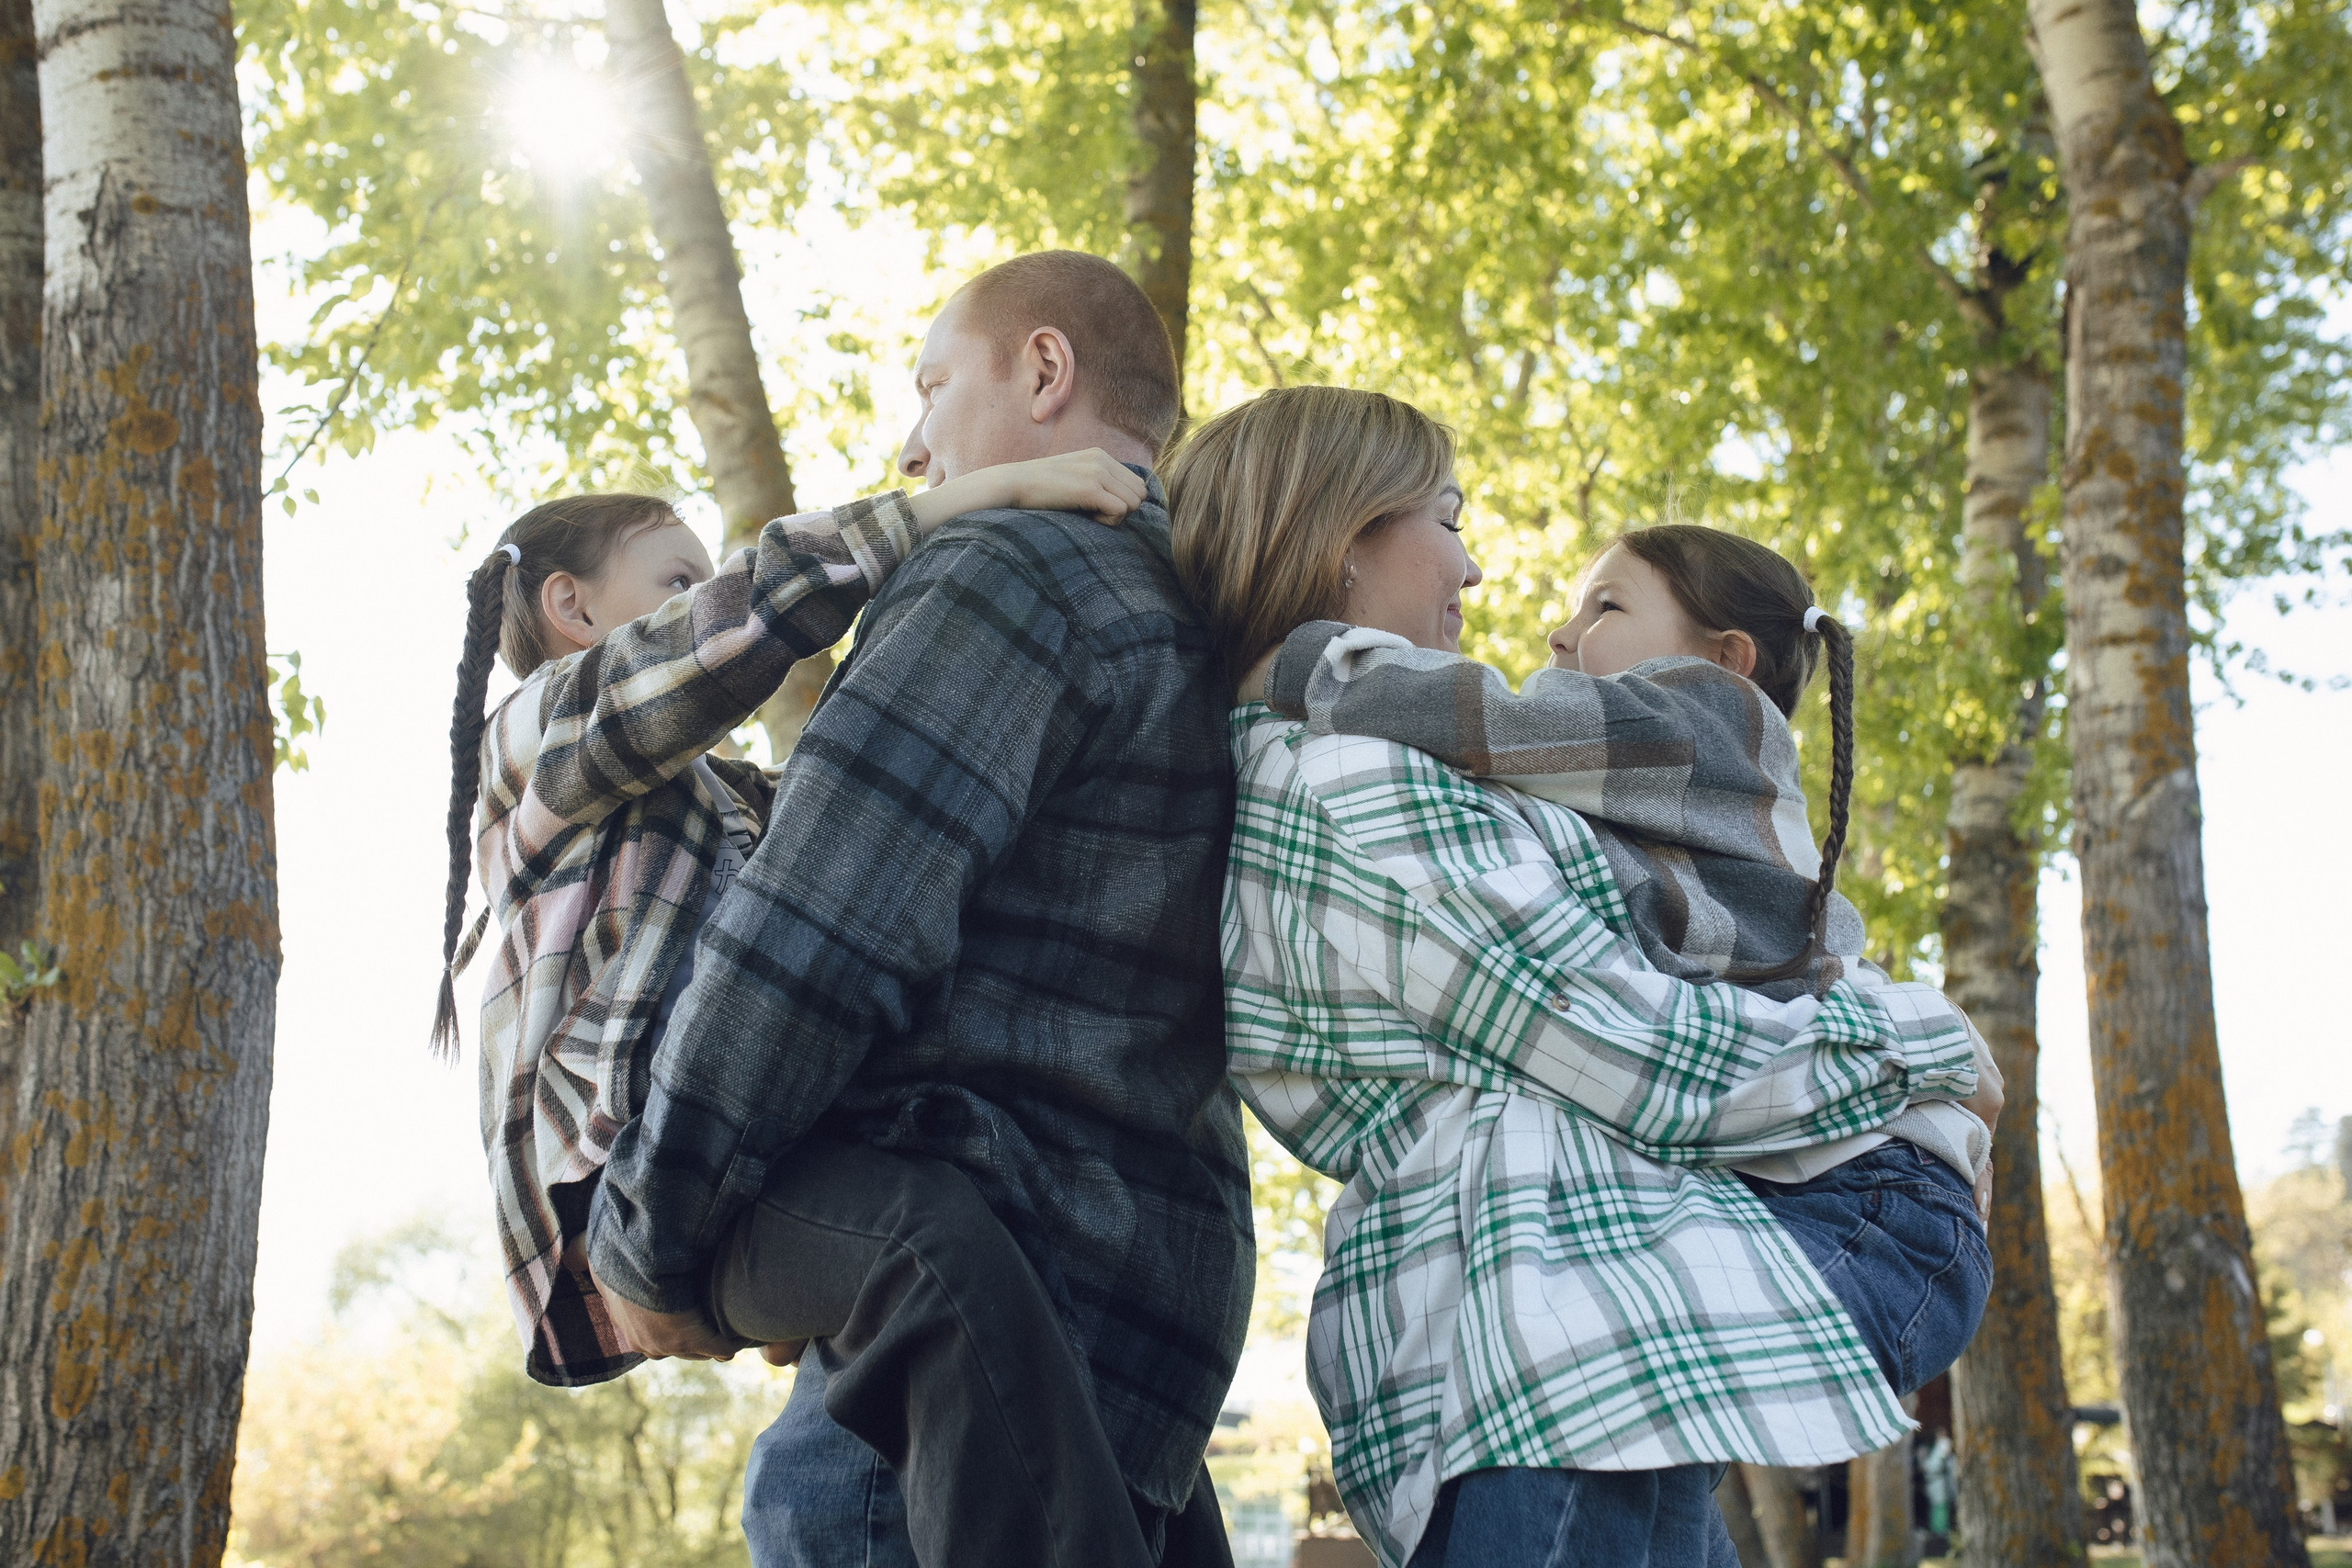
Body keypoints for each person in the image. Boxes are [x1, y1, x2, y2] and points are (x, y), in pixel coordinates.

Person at [1166, 385, 1995, 1568]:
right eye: (1450, 516)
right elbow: (1646, 1059)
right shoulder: (1348, 786)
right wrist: (1930, 1048)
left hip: (1575, 1334)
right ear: (1347, 538)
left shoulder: (1435, 764)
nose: (1479, 571)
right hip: (1556, 1355)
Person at [584, 251, 1255, 1567]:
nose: (910, 442)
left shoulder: (1010, 570)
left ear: (1045, 369)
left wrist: (647, 1240)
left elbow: (815, 938)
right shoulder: (1222, 621)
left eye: (934, 384)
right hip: (1142, 1361)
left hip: (927, 1406)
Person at [436, 452, 1170, 1568]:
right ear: (570, 606)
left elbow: (865, 855)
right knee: (928, 1248)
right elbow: (698, 653)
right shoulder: (535, 745)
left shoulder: (729, 802)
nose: (707, 591)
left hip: (747, 1158)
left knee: (1006, 1287)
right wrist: (957, 502)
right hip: (628, 1180)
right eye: (676, 578)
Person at [1253, 523, 1998, 1391]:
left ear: (1727, 657)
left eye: (1605, 607)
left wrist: (1297, 663)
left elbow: (1491, 718)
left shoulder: (1695, 716)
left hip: (1861, 1182)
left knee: (1615, 1390)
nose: (1560, 634)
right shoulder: (1650, 784)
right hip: (1810, 1161)